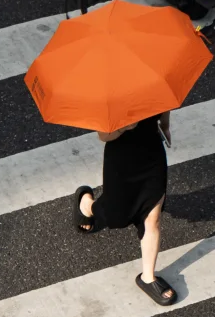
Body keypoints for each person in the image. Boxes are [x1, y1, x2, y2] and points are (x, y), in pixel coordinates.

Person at [73, 111, 176, 305]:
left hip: (152, 153)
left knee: (152, 218)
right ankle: (86, 204)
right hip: (121, 161)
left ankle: (148, 277)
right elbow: (103, 136)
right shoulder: (111, 94)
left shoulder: (152, 82)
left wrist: (165, 126)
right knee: (116, 216)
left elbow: (165, 105)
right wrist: (123, 127)